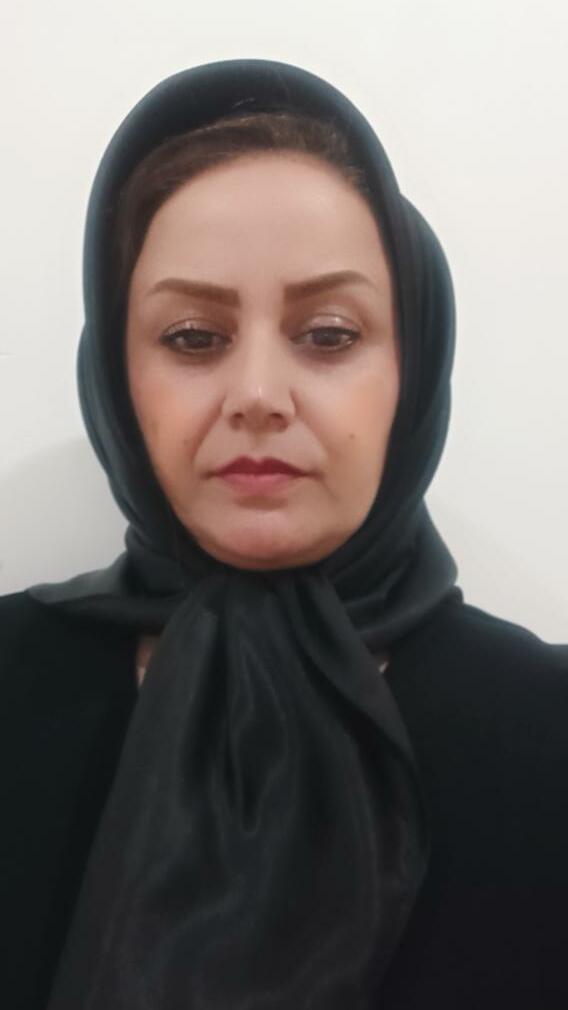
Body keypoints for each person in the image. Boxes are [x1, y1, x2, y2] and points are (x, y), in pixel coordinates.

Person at [1, 57, 566, 1010]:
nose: (259, 395)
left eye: (330, 334)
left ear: (414, 367)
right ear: (115, 378)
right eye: (192, 337)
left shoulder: (549, 735)